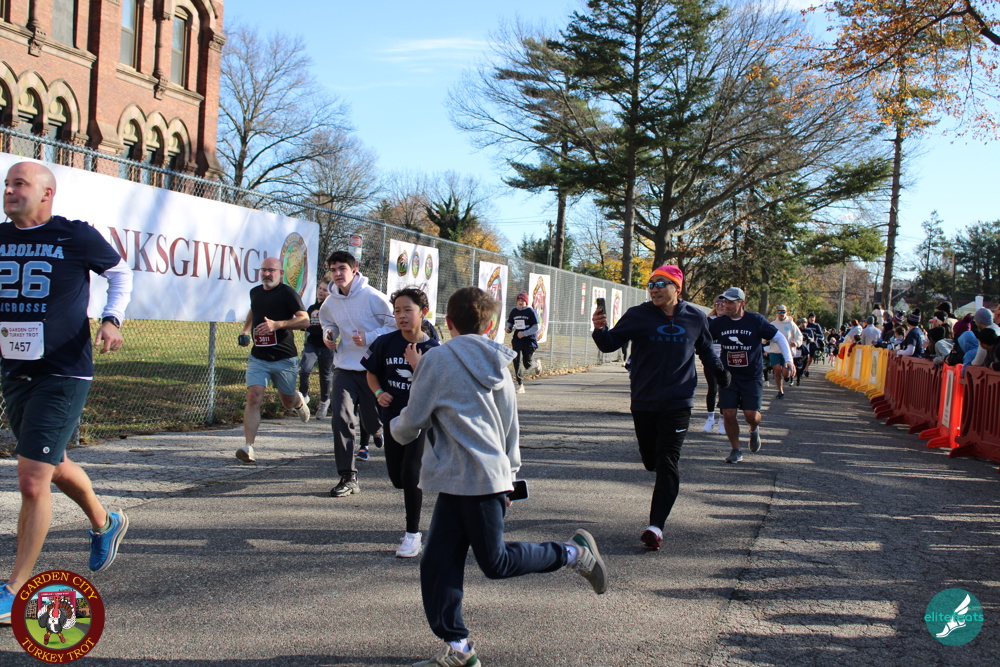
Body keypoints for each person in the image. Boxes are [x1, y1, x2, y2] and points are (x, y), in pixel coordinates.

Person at [391, 287, 607, 667]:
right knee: (437, 563)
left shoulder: (435, 360)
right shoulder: (500, 362)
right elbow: (510, 426)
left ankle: (574, 553)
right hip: (470, 480)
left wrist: (394, 426)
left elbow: (412, 421)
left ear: (448, 322)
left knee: (497, 562)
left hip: (475, 481)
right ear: (490, 325)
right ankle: (459, 649)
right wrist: (511, 474)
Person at [0, 161, 133, 624]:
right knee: (50, 462)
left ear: (46, 193)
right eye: (7, 184)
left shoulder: (73, 235)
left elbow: (120, 273)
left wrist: (112, 319)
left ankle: (15, 588)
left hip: (63, 371)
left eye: (19, 184)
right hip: (15, 369)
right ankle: (105, 522)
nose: (9, 190)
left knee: (31, 478)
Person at [591, 266, 729, 549]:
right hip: (644, 399)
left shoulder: (695, 317)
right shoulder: (637, 315)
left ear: (677, 288)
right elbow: (609, 345)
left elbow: (705, 349)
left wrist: (719, 371)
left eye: (661, 284)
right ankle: (656, 474)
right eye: (651, 284)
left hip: (678, 400)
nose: (654, 289)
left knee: (668, 460)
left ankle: (655, 527)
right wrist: (600, 329)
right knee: (651, 460)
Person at [362, 287, 440, 558]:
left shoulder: (434, 350)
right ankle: (416, 486)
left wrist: (417, 365)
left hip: (420, 420)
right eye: (397, 311)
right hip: (393, 418)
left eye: (408, 310)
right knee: (398, 479)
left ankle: (412, 535)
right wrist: (378, 393)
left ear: (423, 312)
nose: (402, 315)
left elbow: (437, 388)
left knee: (410, 473)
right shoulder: (385, 343)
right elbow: (371, 374)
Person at [319, 251, 395, 498]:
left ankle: (376, 430)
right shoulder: (330, 301)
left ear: (354, 269)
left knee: (372, 421)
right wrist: (329, 335)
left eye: (342, 268)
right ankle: (348, 476)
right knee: (340, 418)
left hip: (372, 369)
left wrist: (369, 337)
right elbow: (327, 322)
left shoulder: (374, 297)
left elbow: (394, 325)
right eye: (333, 270)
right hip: (344, 368)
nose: (337, 274)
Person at [236, 256, 310, 463]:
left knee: (287, 402)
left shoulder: (288, 293)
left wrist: (278, 325)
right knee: (254, 396)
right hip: (259, 357)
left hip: (284, 358)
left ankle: (298, 401)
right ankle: (249, 447)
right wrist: (245, 330)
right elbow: (254, 309)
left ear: (281, 273)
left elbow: (305, 320)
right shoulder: (255, 292)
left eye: (271, 270)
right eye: (264, 270)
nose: (267, 274)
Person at [710, 287, 793, 464]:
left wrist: (789, 360)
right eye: (725, 302)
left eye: (731, 302)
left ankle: (754, 429)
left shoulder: (755, 320)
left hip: (751, 376)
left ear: (742, 303)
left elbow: (779, 338)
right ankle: (736, 449)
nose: (727, 306)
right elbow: (701, 339)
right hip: (728, 376)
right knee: (728, 413)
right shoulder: (718, 323)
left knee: (751, 415)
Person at [299, 280, 334, 419]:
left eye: (325, 290)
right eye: (320, 288)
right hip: (311, 345)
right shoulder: (312, 308)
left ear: (330, 294)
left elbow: (329, 329)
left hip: (326, 346)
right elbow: (305, 324)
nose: (321, 291)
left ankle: (324, 401)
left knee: (325, 375)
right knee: (305, 369)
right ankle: (304, 395)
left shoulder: (331, 309)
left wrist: (316, 329)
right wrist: (304, 325)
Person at [504, 291, 541, 394]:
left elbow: (536, 327)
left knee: (527, 364)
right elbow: (510, 323)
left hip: (529, 340)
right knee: (516, 360)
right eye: (519, 300)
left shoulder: (530, 311)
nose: (520, 302)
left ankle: (537, 364)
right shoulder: (514, 311)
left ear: (526, 302)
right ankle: (520, 385)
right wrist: (508, 328)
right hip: (517, 339)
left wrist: (524, 333)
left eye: (522, 301)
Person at [702, 295, 728, 433]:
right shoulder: (708, 320)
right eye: (717, 304)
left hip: (725, 360)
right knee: (712, 388)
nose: (720, 307)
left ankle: (722, 421)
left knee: (724, 389)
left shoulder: (729, 321)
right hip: (711, 359)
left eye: (723, 304)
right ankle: (710, 419)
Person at [767, 305, 801, 399]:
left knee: (785, 373)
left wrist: (796, 343)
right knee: (777, 370)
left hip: (787, 353)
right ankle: (780, 391)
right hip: (775, 351)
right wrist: (765, 340)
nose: (781, 314)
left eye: (783, 312)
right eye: (779, 312)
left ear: (786, 312)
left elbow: (799, 336)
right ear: (777, 313)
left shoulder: (791, 324)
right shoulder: (772, 324)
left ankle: (787, 377)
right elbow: (764, 336)